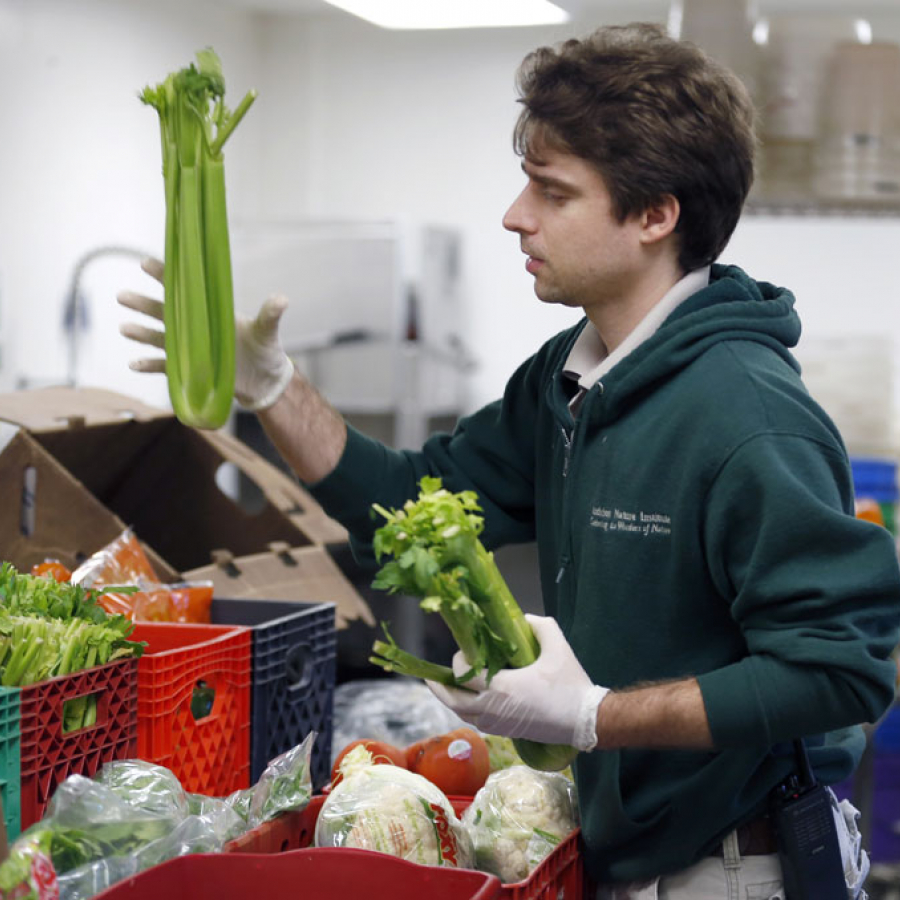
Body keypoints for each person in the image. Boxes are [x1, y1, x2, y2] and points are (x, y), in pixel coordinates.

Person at [119, 22, 900, 899]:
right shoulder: (570, 378)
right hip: (620, 850)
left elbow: (839, 671)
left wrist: (591, 716)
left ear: (655, 215)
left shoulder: (749, 421)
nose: (514, 214)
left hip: (735, 870)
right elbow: (405, 500)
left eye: (552, 191)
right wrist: (271, 387)